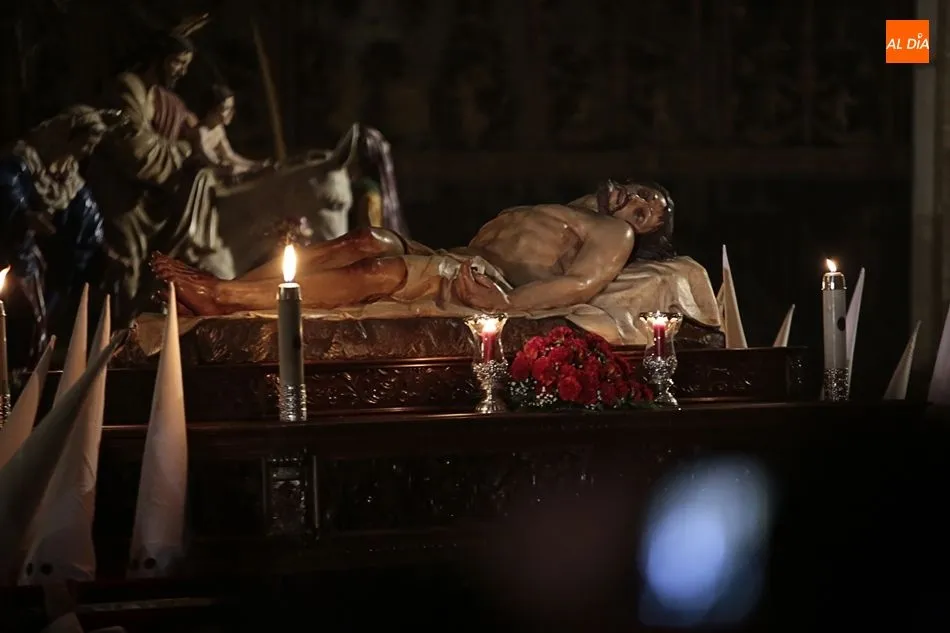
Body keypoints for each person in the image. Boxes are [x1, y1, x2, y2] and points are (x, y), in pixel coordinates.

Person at [150, 180, 675, 316]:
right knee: (366, 238)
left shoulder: (615, 234)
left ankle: (226, 295)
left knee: (381, 267)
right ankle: (232, 290)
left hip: (484, 278)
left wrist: (507, 305)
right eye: (644, 196)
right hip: (459, 253)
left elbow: (578, 283)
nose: (639, 205)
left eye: (646, 215)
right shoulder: (581, 207)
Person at [86, 31, 225, 320]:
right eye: (177, 62)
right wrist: (185, 151)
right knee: (128, 264)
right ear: (157, 60)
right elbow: (136, 151)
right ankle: (118, 332)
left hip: (143, 193)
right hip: (119, 194)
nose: (182, 71)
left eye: (186, 64)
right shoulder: (127, 87)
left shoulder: (154, 95)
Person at [0, 106, 125, 360]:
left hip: (44, 264)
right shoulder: (23, 161)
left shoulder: (68, 176)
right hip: (12, 254)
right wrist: (23, 216)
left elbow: (86, 214)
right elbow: (6, 186)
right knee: (19, 315)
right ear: (69, 136)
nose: (88, 151)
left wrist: (101, 247)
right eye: (86, 144)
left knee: (41, 319)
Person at [189, 84, 266, 177]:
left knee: (235, 168)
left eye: (231, 108)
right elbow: (208, 158)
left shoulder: (219, 129)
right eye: (225, 109)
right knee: (232, 170)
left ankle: (257, 169)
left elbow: (229, 155)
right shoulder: (201, 132)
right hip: (200, 171)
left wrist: (253, 164)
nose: (230, 113)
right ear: (212, 110)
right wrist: (223, 165)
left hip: (218, 166)